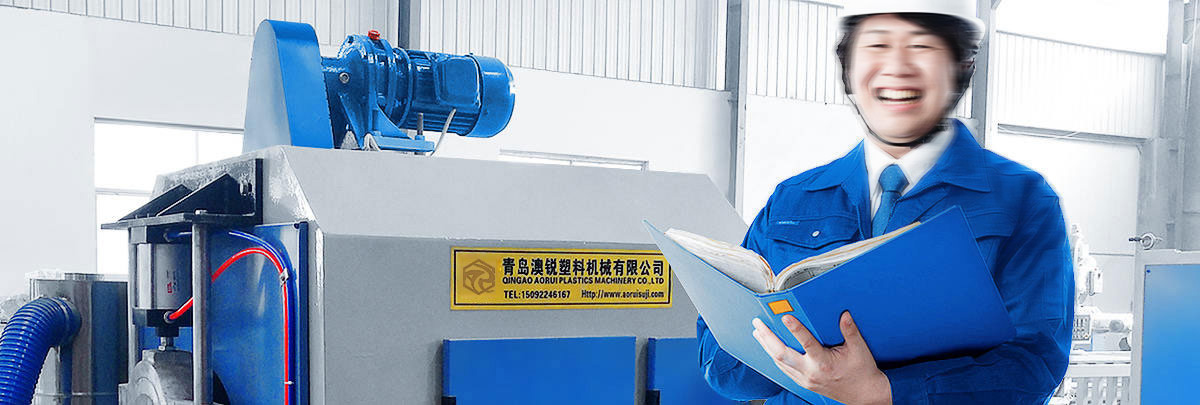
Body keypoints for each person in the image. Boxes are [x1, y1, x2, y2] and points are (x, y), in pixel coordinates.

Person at [697, 1, 1074, 404]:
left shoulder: (1022, 199)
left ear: (963, 66)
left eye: (922, 46)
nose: (897, 67)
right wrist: (765, 346)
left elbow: (1035, 365)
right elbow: (724, 368)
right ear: (848, 68)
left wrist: (882, 392)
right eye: (877, 45)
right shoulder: (794, 199)